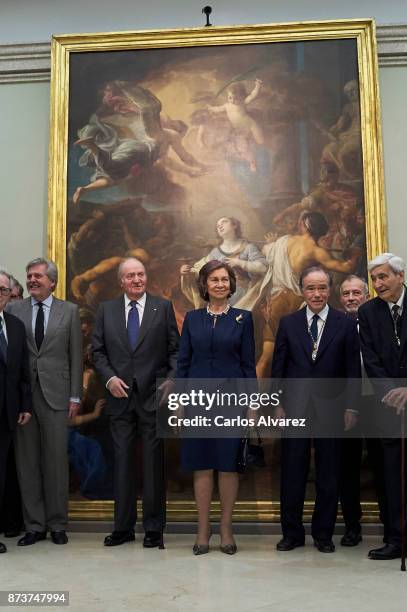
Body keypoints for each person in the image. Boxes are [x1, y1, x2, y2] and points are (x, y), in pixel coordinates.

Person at [272, 265, 361, 553]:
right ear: (302, 290)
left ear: (329, 290)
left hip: (333, 407)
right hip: (294, 407)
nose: (317, 293)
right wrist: (277, 404)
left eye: (322, 287)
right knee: (293, 471)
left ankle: (323, 534)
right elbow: (279, 368)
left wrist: (352, 407)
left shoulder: (344, 324)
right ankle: (292, 534)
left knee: (329, 472)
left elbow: (351, 371)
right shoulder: (288, 323)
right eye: (311, 288)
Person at [92, 257, 179, 547]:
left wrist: (171, 379)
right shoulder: (106, 310)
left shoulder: (163, 307)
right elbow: (98, 352)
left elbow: (175, 351)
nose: (136, 280)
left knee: (153, 465)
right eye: (130, 276)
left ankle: (154, 529)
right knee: (123, 464)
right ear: (121, 281)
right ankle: (123, 528)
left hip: (153, 398)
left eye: (140, 274)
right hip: (119, 398)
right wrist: (108, 379)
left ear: (146, 277)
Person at [177, 260, 256, 555]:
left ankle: (225, 527)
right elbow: (183, 364)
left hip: (232, 402)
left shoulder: (243, 319)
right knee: (201, 463)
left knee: (227, 464)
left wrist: (252, 405)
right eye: (214, 280)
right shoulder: (192, 318)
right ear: (205, 285)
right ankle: (202, 529)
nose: (220, 284)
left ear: (231, 285)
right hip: (197, 402)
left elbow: (248, 365)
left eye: (225, 279)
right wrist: (180, 403)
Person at [8, 258, 83, 546]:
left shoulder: (70, 311)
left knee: (55, 461)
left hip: (58, 394)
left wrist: (75, 395)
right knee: (27, 462)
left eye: (38, 276)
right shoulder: (14, 309)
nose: (32, 280)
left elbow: (76, 355)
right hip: (24, 398)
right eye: (29, 276)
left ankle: (57, 524)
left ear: (52, 281)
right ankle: (35, 526)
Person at [247, 211, 361, 377]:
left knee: (266, 358)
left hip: (274, 303)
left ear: (303, 226)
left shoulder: (284, 241)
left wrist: (272, 243)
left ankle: (256, 401)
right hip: (294, 306)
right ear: (322, 230)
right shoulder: (316, 251)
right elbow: (347, 268)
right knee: (301, 360)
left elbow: (266, 250)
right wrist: (355, 255)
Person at [358, 252, 407, 560]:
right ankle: (395, 539)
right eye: (374, 278)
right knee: (390, 475)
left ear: (400, 276)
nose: (378, 283)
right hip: (388, 405)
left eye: (384, 277)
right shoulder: (368, 312)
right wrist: (393, 391)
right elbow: (371, 359)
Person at [338, 275, 386, 546]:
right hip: (346, 405)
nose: (351, 298)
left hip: (378, 403)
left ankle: (390, 527)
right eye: (346, 294)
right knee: (348, 468)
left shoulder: (379, 323)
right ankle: (352, 527)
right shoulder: (336, 326)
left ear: (366, 296)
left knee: (383, 466)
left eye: (357, 293)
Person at [0, 269, 32, 554]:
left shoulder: (15, 326)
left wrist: (24, 405)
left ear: (10, 294)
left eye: (1, 290)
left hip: (7, 412)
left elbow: (22, 372)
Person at [180, 216, 266, 309]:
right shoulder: (215, 252)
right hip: (220, 297)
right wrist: (188, 272)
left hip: (244, 297)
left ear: (234, 225)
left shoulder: (248, 248)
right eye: (218, 225)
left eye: (224, 222)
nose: (220, 226)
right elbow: (200, 270)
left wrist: (239, 262)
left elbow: (263, 267)